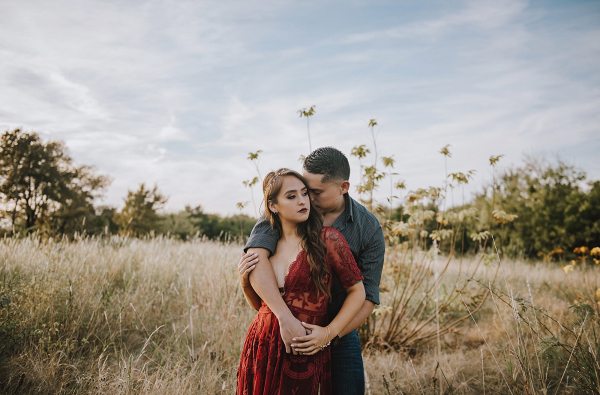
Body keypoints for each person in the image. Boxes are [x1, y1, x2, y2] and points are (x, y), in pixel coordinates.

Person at [239, 147, 386, 395]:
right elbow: (256, 260)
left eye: (312, 192)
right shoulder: (281, 213)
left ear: (343, 188)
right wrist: (284, 318)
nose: (306, 199)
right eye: (302, 191)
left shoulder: (367, 228)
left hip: (340, 327)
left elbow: (367, 296)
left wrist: (329, 335)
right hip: (280, 326)